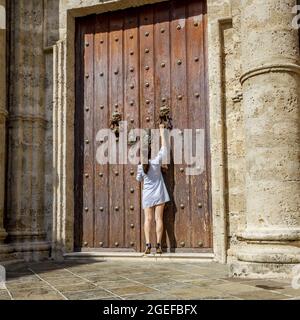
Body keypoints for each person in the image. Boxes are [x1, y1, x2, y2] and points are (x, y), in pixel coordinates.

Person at [136, 124, 170, 254]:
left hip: (148, 195)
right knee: (158, 219)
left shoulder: (141, 166)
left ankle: (148, 245)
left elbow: (139, 179)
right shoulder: (156, 162)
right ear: (151, 153)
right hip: (159, 193)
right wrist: (162, 131)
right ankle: (159, 246)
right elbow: (164, 148)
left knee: (148, 220)